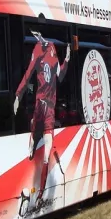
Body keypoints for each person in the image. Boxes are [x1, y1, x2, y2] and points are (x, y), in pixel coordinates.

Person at [14, 31, 71, 209]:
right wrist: (18, 94)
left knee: (46, 153)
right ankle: (32, 139)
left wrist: (67, 60)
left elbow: (60, 76)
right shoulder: (38, 49)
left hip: (50, 110)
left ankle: (40, 196)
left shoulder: (53, 50)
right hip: (40, 105)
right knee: (33, 148)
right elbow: (29, 72)